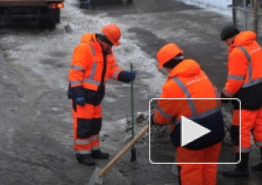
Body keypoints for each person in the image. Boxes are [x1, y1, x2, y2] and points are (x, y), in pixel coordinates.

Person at [150, 43, 225, 185]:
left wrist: (153, 120)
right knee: (209, 167)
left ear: (168, 65)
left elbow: (162, 117)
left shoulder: (173, 85)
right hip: (216, 127)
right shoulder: (201, 74)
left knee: (191, 170)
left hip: (194, 134)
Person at [67, 24, 136, 166]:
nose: (111, 48)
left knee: (94, 126)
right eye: (110, 44)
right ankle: (83, 154)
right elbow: (75, 73)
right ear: (102, 39)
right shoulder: (84, 49)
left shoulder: (107, 52)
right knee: (83, 126)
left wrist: (124, 75)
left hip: (97, 96)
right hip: (83, 96)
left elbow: (112, 69)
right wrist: (78, 93)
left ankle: (94, 150)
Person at [220, 24, 262, 177]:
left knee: (240, 132)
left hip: (246, 97)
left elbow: (235, 81)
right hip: (259, 93)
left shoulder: (238, 52)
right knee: (259, 128)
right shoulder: (253, 44)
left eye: (226, 40)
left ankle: (241, 168)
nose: (226, 44)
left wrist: (225, 96)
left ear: (232, 37)